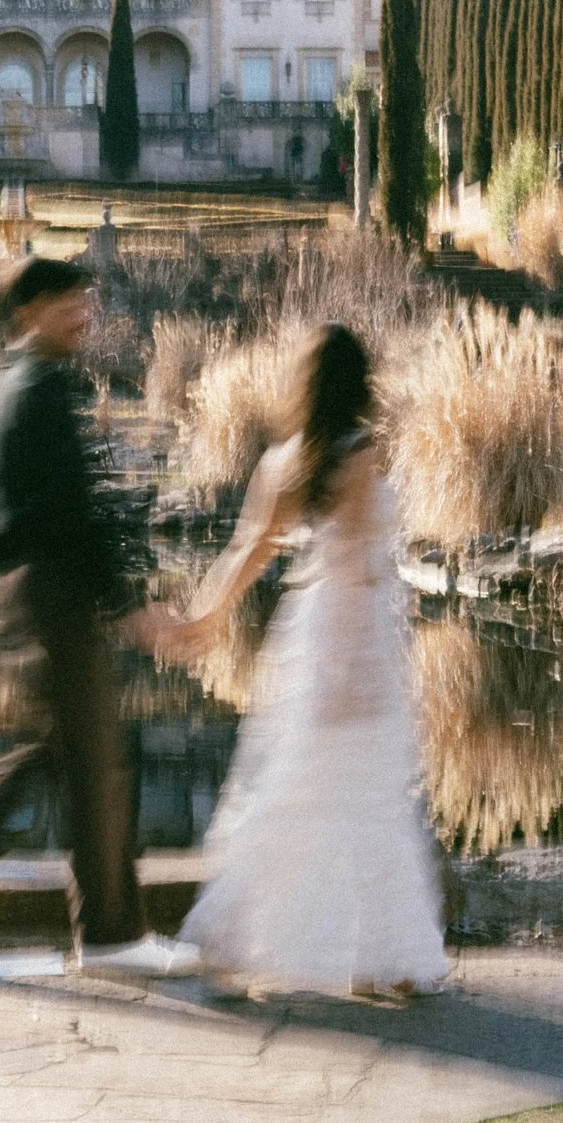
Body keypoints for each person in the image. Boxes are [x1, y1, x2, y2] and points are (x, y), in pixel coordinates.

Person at [0, 256, 199, 977]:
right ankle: (103, 931)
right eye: (66, 302)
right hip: (54, 593)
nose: (83, 312)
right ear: (30, 310)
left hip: (29, 590)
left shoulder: (18, 383)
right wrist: (128, 606)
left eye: (85, 299)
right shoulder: (39, 391)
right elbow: (71, 514)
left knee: (45, 756)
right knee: (86, 762)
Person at [153, 323, 449, 999]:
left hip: (307, 634)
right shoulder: (360, 452)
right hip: (352, 636)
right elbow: (351, 568)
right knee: (367, 799)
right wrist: (354, 671)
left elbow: (245, 550)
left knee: (297, 790)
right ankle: (378, 958)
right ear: (359, 382)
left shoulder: (285, 460)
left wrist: (204, 615)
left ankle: (277, 946)